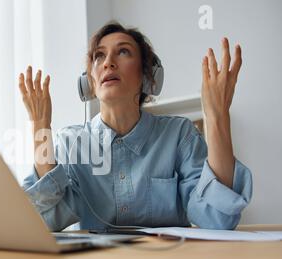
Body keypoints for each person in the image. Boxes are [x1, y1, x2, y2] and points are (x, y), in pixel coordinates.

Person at [18, 21, 252, 231]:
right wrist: (40, 127)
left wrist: (217, 115)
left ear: (148, 77)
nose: (108, 63)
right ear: (89, 82)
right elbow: (41, 221)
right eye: (99, 56)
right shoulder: (70, 143)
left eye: (123, 52)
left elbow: (219, 219)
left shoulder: (179, 136)